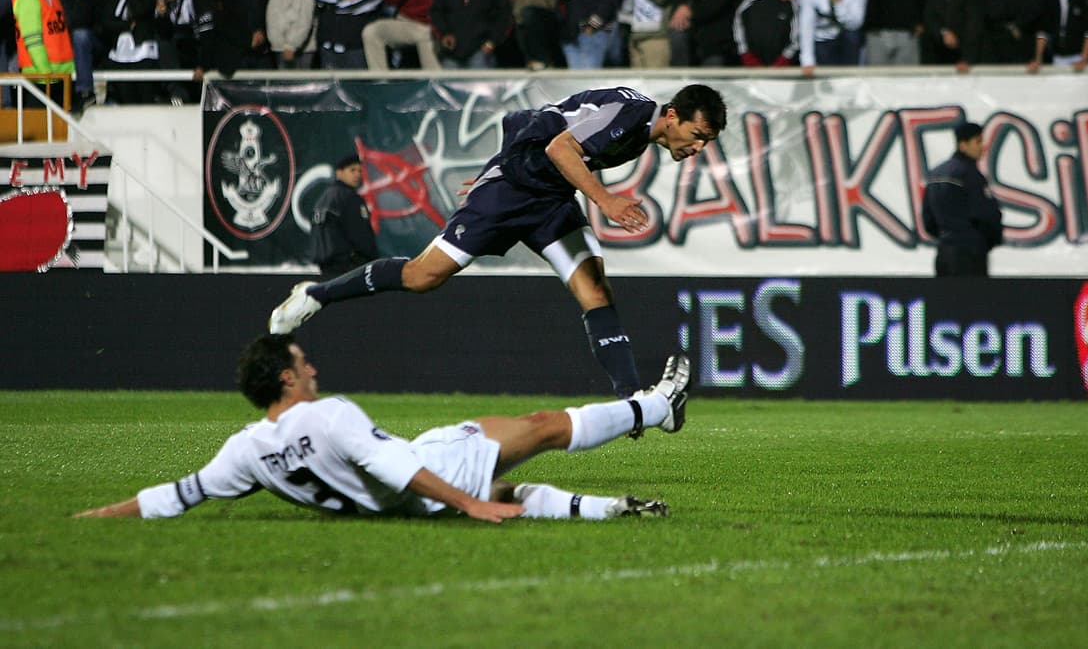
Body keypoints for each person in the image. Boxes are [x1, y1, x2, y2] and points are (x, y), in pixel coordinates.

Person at [270, 84, 727, 401]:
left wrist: (509, 158)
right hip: (511, 193)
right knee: (423, 276)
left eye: (706, 141)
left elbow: (533, 120)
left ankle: (632, 399)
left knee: (595, 289)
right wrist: (602, 200)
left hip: (548, 200)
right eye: (697, 135)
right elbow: (557, 148)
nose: (698, 146)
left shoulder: (640, 127)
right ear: (672, 115)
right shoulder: (630, 117)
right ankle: (317, 293)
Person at [76, 334, 691, 521]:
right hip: (431, 475)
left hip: (394, 505)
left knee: (510, 490)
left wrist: (97, 518)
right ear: (287, 382)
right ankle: (660, 406)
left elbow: (178, 495)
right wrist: (466, 504)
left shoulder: (244, 450)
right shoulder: (329, 413)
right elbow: (393, 466)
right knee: (544, 426)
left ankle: (608, 510)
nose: (311, 366)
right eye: (301, 363)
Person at [922, 121, 1002, 277]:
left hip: (944, 253)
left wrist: (945, 237)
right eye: (978, 141)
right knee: (972, 300)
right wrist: (988, 239)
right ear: (963, 145)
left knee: (947, 300)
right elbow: (986, 213)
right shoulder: (970, 175)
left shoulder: (935, 174)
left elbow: (928, 219)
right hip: (969, 254)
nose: (982, 147)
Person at [13, 0, 75, 102]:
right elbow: (32, 39)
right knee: (38, 127)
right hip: (41, 79)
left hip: (61, 75)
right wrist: (46, 74)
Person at [310, 153, 377, 276]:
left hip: (326, 267)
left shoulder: (323, 199)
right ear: (339, 173)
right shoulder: (349, 197)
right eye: (352, 170)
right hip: (349, 266)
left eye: (360, 171)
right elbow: (360, 234)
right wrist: (370, 257)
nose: (358, 174)